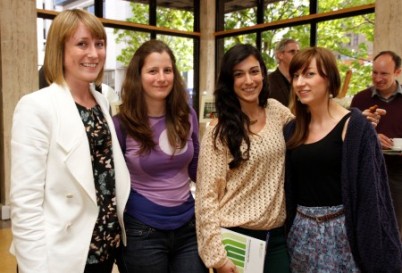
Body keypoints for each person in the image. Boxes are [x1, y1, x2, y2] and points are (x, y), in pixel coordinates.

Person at [9, 9, 130, 273]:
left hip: (102, 249)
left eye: (99, 44)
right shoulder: (36, 106)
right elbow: (25, 201)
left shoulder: (101, 101)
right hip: (59, 255)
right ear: (59, 50)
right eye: (82, 44)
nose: (94, 53)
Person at [284, 47, 402, 272]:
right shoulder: (292, 128)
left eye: (309, 74)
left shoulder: (355, 127)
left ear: (329, 78)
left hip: (342, 234)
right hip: (301, 235)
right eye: (296, 76)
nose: (300, 82)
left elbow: (373, 197)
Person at [196, 43, 294, 273]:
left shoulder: (276, 110)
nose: (248, 81)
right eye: (238, 74)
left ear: (262, 73)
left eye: (254, 71)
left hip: (277, 238)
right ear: (229, 81)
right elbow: (206, 197)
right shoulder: (219, 132)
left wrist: (352, 124)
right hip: (237, 240)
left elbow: (308, 133)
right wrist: (217, 257)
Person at [112, 39, 207, 273]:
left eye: (167, 70)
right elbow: (115, 184)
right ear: (138, 76)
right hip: (142, 230)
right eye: (152, 71)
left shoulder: (187, 115)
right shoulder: (121, 125)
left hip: (188, 224)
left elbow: (197, 169)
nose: (161, 78)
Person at [350, 50, 402, 240]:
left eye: (384, 74)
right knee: (368, 227)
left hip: (397, 175)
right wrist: (372, 134)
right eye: (374, 73)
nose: (378, 78)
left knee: (395, 229)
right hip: (368, 171)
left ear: (397, 72)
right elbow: (350, 135)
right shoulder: (360, 99)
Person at [267, 38, 300, 107]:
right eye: (292, 52)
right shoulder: (268, 82)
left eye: (298, 52)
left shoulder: (301, 80)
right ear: (280, 55)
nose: (297, 55)